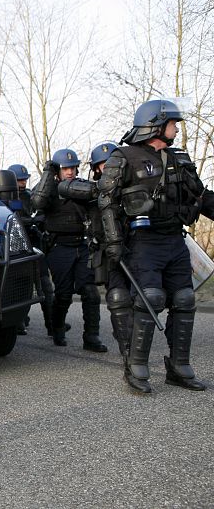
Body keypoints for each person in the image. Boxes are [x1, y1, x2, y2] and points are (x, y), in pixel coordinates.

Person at [98, 99, 210, 393]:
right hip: (144, 241)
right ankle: (136, 366)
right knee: (150, 298)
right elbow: (106, 202)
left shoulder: (179, 159)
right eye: (173, 123)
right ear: (156, 125)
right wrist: (113, 241)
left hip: (176, 240)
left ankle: (179, 367)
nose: (176, 128)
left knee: (185, 299)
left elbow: (201, 196)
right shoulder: (123, 157)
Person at [32, 148, 107, 352]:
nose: (70, 171)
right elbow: (37, 201)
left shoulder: (83, 188)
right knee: (63, 294)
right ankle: (57, 329)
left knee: (91, 292)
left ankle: (91, 337)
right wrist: (48, 174)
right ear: (58, 170)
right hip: (59, 247)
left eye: (73, 167)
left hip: (82, 245)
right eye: (66, 168)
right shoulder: (48, 191)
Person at [87, 142, 132, 363]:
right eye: (103, 165)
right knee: (118, 297)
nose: (108, 169)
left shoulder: (129, 185)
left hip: (135, 247)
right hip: (108, 252)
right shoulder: (91, 191)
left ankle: (134, 338)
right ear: (96, 169)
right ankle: (127, 346)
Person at [6, 163, 58, 337]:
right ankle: (18, 322)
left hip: (35, 246)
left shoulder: (31, 196)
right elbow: (13, 220)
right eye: (19, 180)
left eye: (24, 180)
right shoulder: (4, 200)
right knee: (20, 287)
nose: (22, 183)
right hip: (18, 249)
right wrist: (33, 221)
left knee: (46, 286)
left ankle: (52, 324)